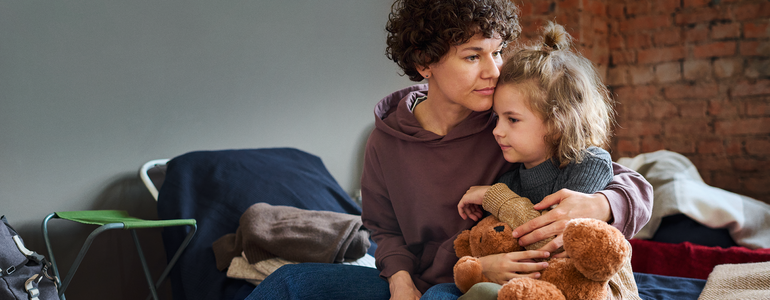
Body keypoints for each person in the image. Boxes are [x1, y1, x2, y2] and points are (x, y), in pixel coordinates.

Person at [248, 1, 652, 299]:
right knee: (289, 282)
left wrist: (601, 205)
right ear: (426, 63)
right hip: (425, 279)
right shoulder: (386, 141)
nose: (494, 70)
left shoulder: (508, 124)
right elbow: (384, 230)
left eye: (496, 52)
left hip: (486, 282)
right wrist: (400, 279)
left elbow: (619, 178)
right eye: (473, 56)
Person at [455, 21, 641, 300]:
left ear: (556, 123)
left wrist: (496, 197)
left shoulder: (588, 163)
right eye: (497, 117)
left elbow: (553, 240)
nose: (497, 130)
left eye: (512, 119)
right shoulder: (510, 180)